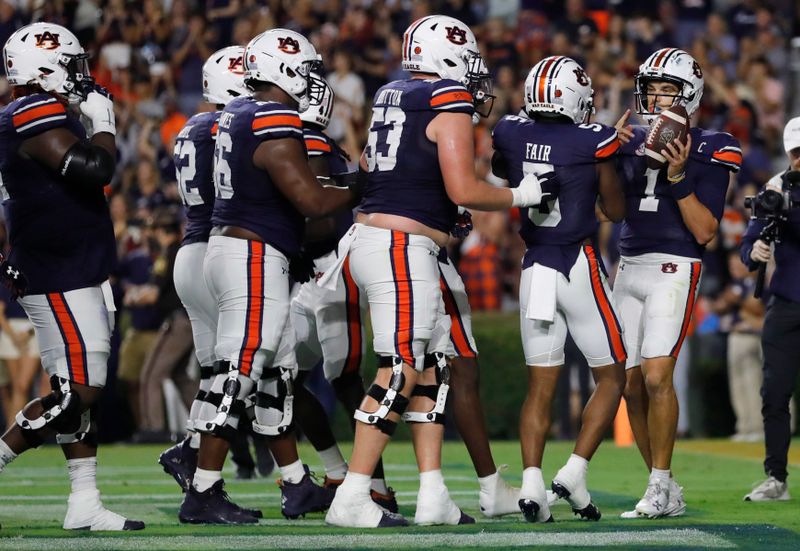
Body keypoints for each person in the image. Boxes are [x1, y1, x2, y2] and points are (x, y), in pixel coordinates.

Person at [323, 15, 547, 528]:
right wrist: (526, 193)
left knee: (433, 368)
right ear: (444, 58)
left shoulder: (390, 93)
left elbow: (393, 169)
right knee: (401, 367)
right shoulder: (447, 99)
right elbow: (465, 190)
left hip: (380, 240)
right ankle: (354, 493)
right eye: (467, 59)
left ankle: (433, 492)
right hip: (400, 246)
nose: (473, 74)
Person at [178, 29, 356, 524]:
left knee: (275, 374)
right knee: (239, 370)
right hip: (252, 254)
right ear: (283, 69)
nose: (314, 80)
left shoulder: (234, 112)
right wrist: (369, 185)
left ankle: (297, 484)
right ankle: (203, 488)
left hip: (232, 247)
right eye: (306, 68)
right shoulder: (272, 115)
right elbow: (312, 202)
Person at [0, 22, 143, 530]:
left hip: (69, 263)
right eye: (71, 62)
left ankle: (84, 501)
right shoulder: (34, 110)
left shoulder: (26, 112)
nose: (80, 73)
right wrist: (103, 122)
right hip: (60, 269)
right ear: (44, 67)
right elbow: (93, 169)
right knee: (78, 390)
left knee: (74, 387)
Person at [492, 56, 626, 522]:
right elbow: (614, 207)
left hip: (534, 267)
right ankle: (573, 470)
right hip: (577, 264)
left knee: (540, 387)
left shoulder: (510, 131)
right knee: (611, 376)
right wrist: (611, 159)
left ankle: (531, 482)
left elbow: (501, 166)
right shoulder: (593, 139)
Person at [613, 48, 741, 518]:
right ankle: (662, 485)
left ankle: (661, 483)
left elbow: (706, 231)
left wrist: (679, 175)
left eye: (666, 89)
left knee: (656, 375)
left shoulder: (713, 144)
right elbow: (610, 211)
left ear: (689, 94)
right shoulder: (628, 141)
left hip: (675, 265)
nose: (655, 97)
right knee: (627, 385)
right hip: (628, 265)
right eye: (651, 88)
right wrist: (607, 156)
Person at [288, 73, 399, 512]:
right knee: (280, 378)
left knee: (347, 381)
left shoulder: (310, 145)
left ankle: (375, 485)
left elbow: (315, 215)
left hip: (329, 271)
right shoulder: (300, 144)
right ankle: (336, 472)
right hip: (305, 274)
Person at [740, 116, 800, 501]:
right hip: (788, 301)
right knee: (774, 394)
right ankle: (776, 478)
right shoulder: (776, 189)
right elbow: (747, 246)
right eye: (797, 152)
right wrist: (756, 250)